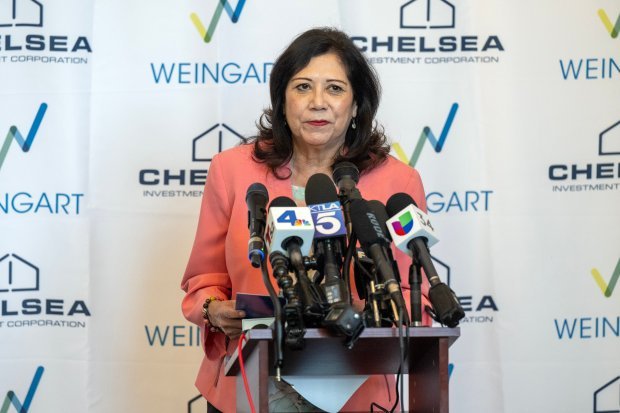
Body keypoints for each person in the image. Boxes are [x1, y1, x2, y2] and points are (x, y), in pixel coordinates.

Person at [181, 27, 432, 413]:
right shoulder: (231, 171)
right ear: (282, 101)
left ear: (356, 105)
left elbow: (418, 298)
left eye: (334, 88)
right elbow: (204, 281)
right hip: (251, 384)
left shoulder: (397, 182)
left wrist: (382, 313)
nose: (318, 103)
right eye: (302, 87)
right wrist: (214, 310)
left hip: (356, 387)